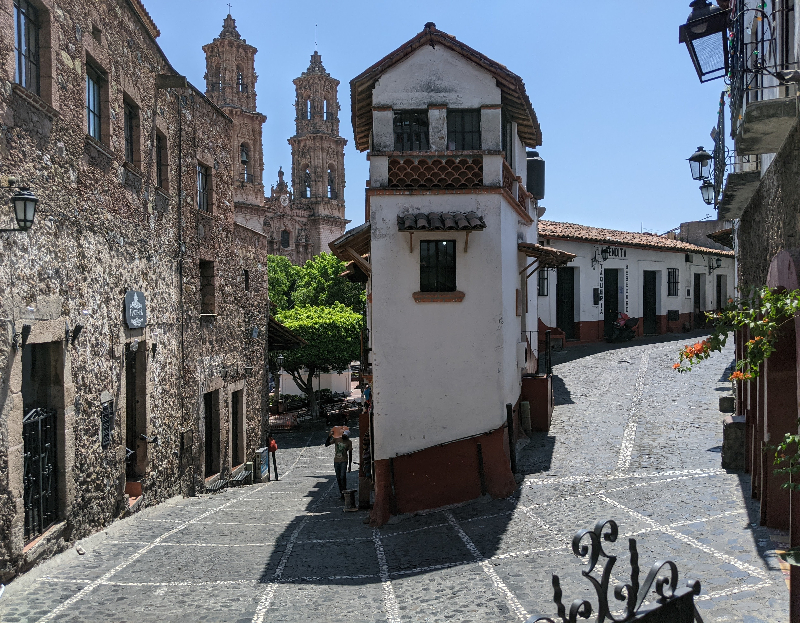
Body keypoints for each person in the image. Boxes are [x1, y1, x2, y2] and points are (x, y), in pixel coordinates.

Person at [325, 426, 352, 498]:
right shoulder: (336, 439)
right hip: (336, 461)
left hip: (344, 461)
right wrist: (329, 436)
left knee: (343, 476)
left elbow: (350, 454)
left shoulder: (349, 442)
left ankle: (344, 490)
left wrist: (350, 465)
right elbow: (326, 444)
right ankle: (341, 492)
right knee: (338, 477)